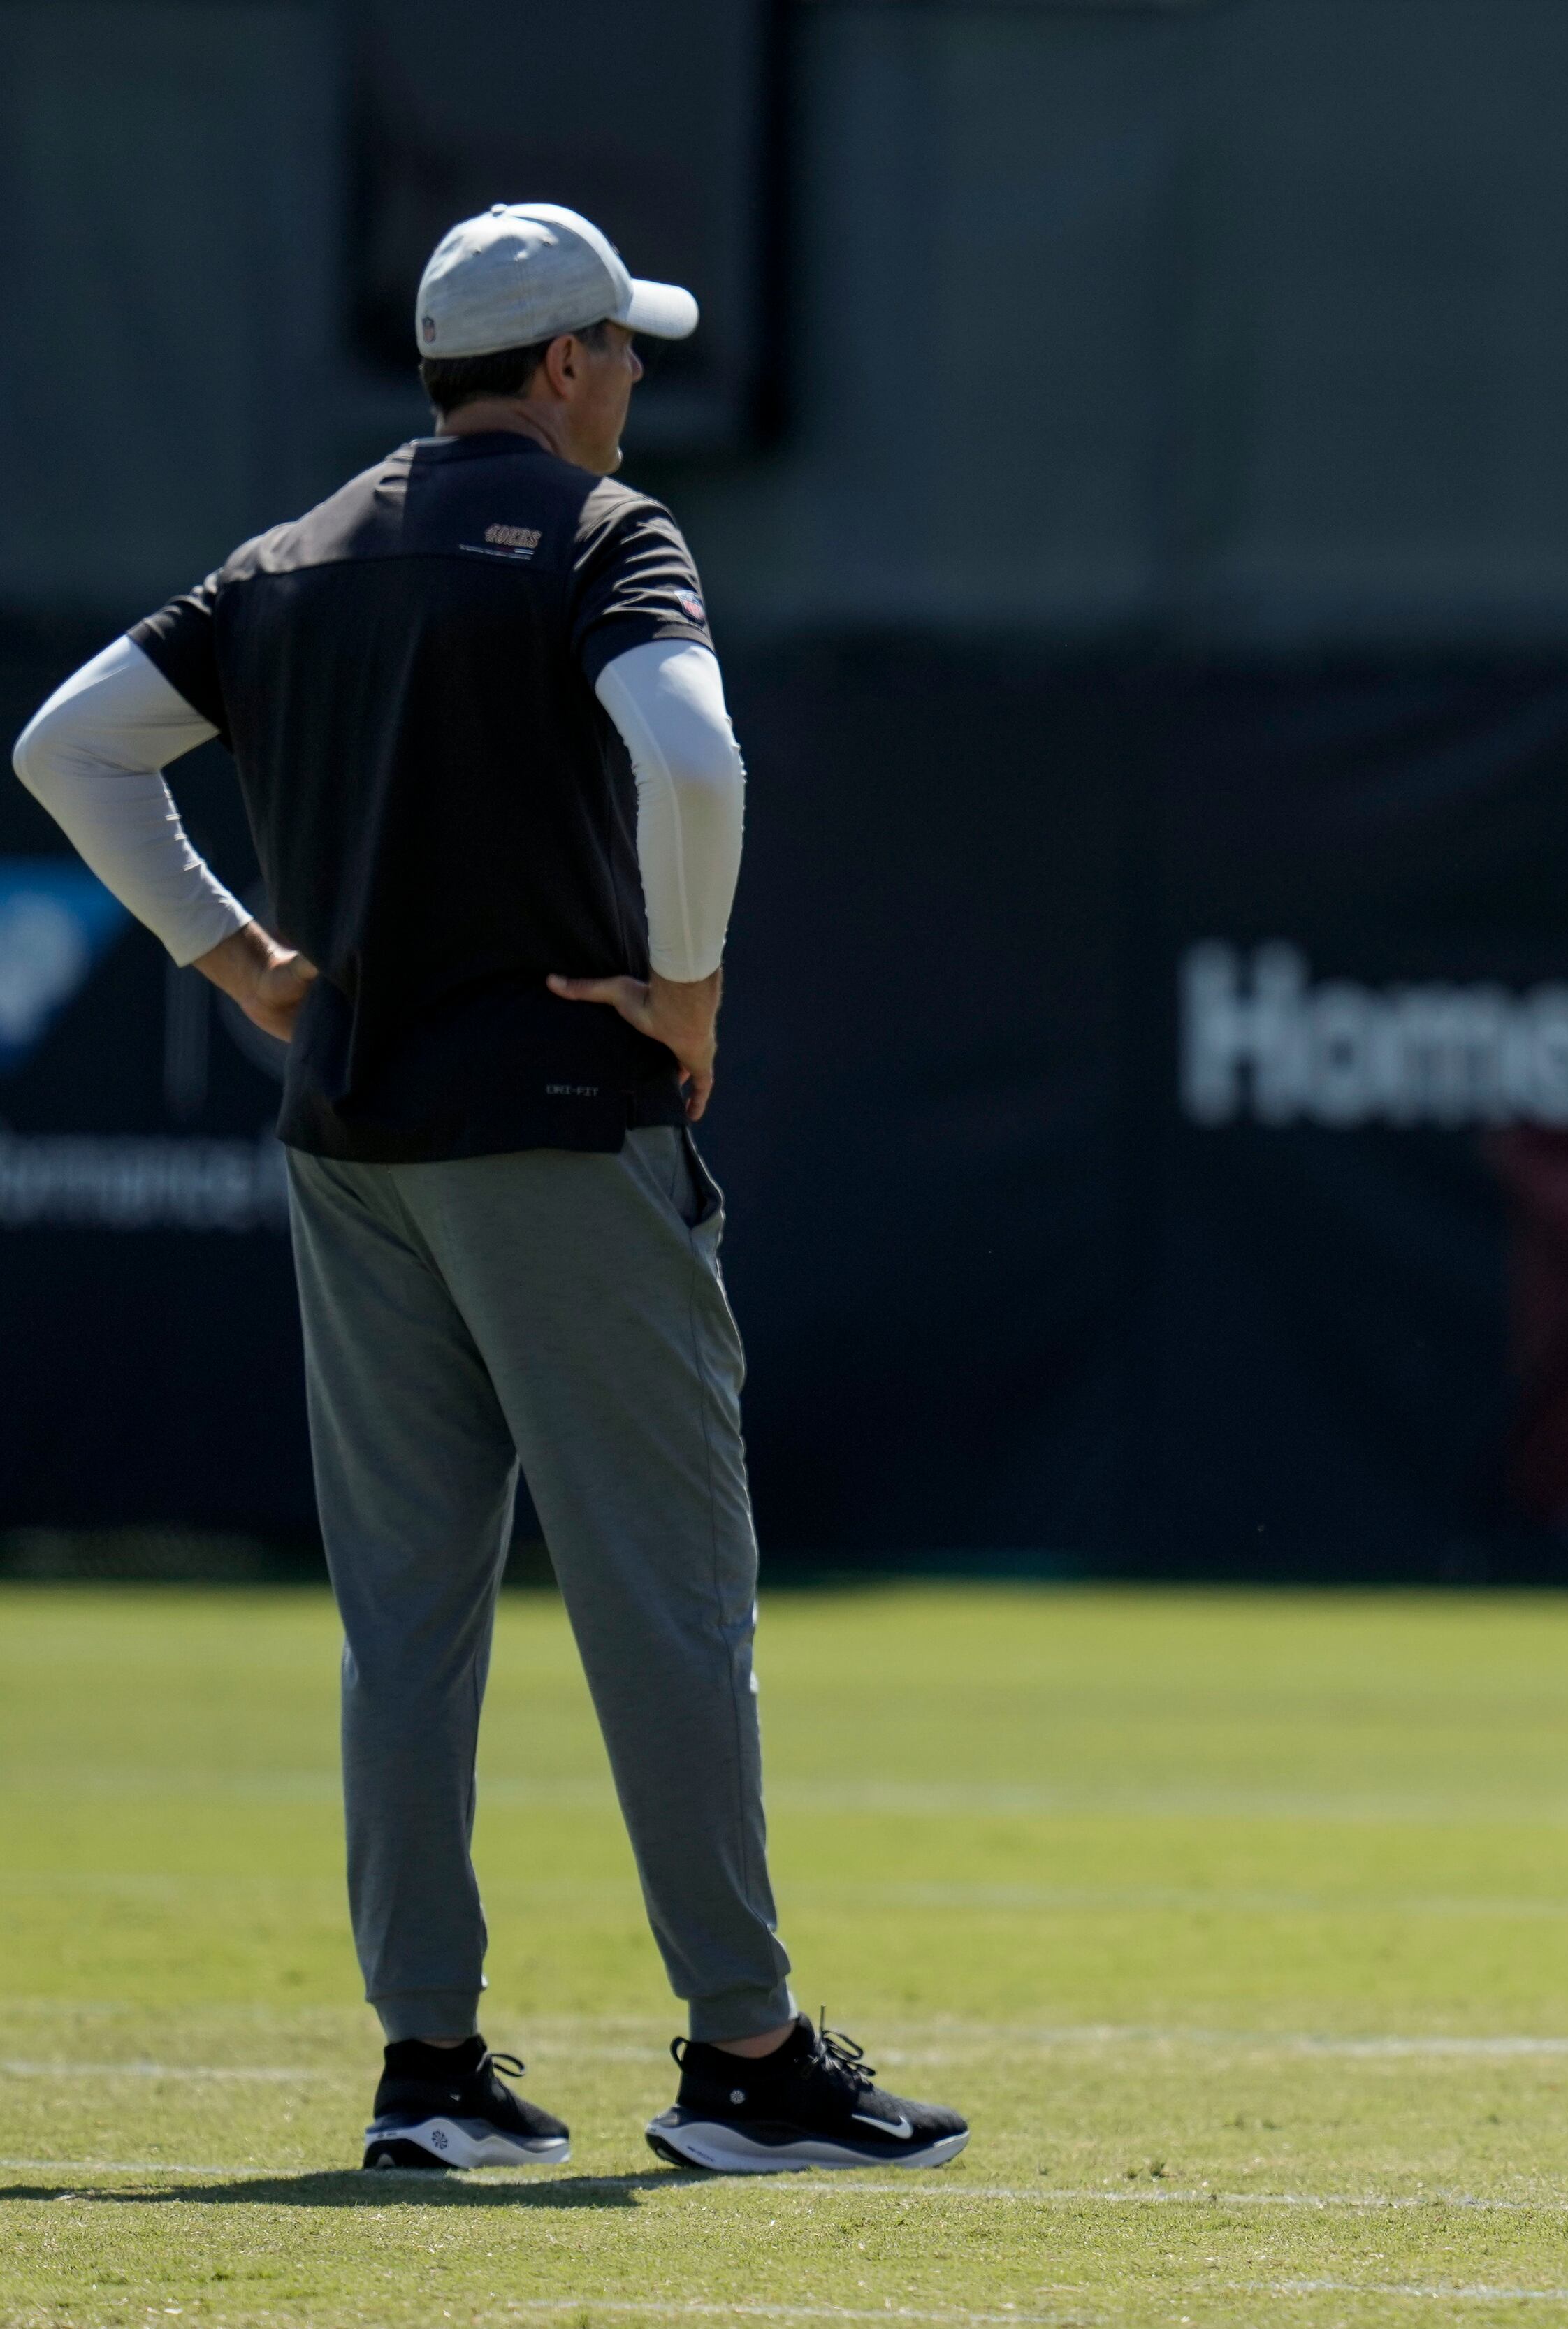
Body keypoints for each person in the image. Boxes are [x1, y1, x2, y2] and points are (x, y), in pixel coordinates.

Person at [9, 202, 964, 2176]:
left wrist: (229, 958)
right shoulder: (610, 538)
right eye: (619, 349)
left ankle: (428, 2069)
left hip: (350, 1137)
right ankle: (746, 2059)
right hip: (554, 1124)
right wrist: (687, 982)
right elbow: (695, 766)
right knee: (670, 1598)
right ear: (555, 368)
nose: (633, 380)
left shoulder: (293, 557)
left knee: (408, 1620)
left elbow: (70, 749)